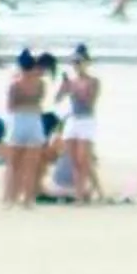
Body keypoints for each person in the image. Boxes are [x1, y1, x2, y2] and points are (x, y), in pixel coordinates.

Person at [1, 49, 48, 207]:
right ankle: (27, 199)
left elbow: (10, 107)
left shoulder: (15, 84)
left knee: (13, 164)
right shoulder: (40, 83)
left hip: (19, 121)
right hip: (34, 120)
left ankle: (10, 197)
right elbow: (40, 101)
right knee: (31, 165)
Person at [58, 44, 104, 203]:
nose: (76, 65)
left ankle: (86, 194)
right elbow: (58, 99)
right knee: (75, 161)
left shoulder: (93, 81)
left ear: (87, 63)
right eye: (74, 62)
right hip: (73, 120)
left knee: (83, 159)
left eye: (79, 62)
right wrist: (63, 88)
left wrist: (74, 91)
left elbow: (89, 102)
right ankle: (84, 194)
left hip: (86, 121)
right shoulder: (71, 81)